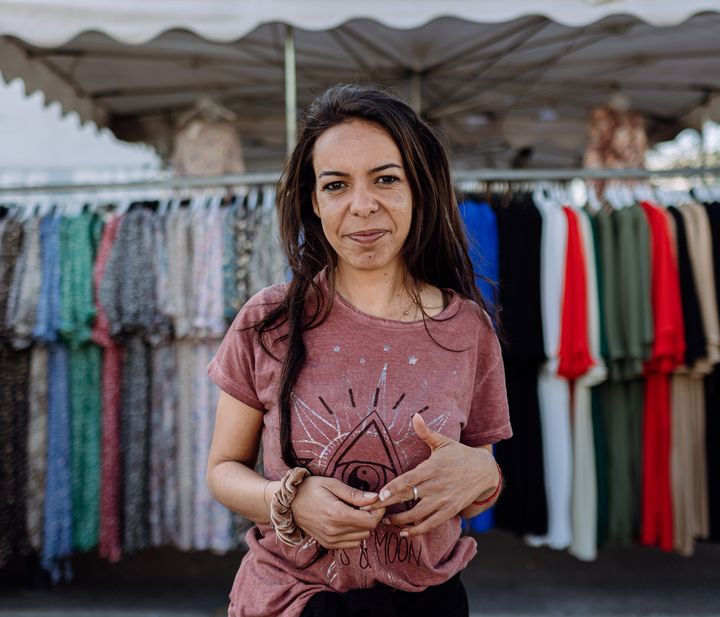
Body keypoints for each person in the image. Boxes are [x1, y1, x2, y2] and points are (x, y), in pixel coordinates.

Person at [206, 84, 512, 617]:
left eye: (386, 180)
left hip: (428, 604)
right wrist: (289, 501)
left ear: (418, 190)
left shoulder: (468, 327)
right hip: (291, 601)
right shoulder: (268, 320)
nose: (362, 205)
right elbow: (223, 469)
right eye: (337, 184)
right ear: (314, 200)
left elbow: (480, 469)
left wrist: (487, 477)